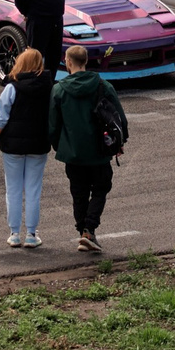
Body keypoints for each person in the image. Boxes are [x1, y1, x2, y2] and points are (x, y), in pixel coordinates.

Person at [52, 47, 124, 255]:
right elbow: (118, 116)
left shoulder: (59, 90)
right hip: (100, 151)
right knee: (101, 188)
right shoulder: (103, 86)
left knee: (78, 192)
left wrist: (60, 146)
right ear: (86, 61)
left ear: (68, 62)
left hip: (73, 153)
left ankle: (84, 230)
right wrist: (119, 142)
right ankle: (89, 230)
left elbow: (53, 125)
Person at [0, 50, 54, 248]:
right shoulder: (48, 86)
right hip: (38, 143)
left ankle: (14, 233)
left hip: (13, 145)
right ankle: (32, 233)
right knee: (34, 189)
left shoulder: (12, 87)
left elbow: (2, 117)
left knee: (13, 189)